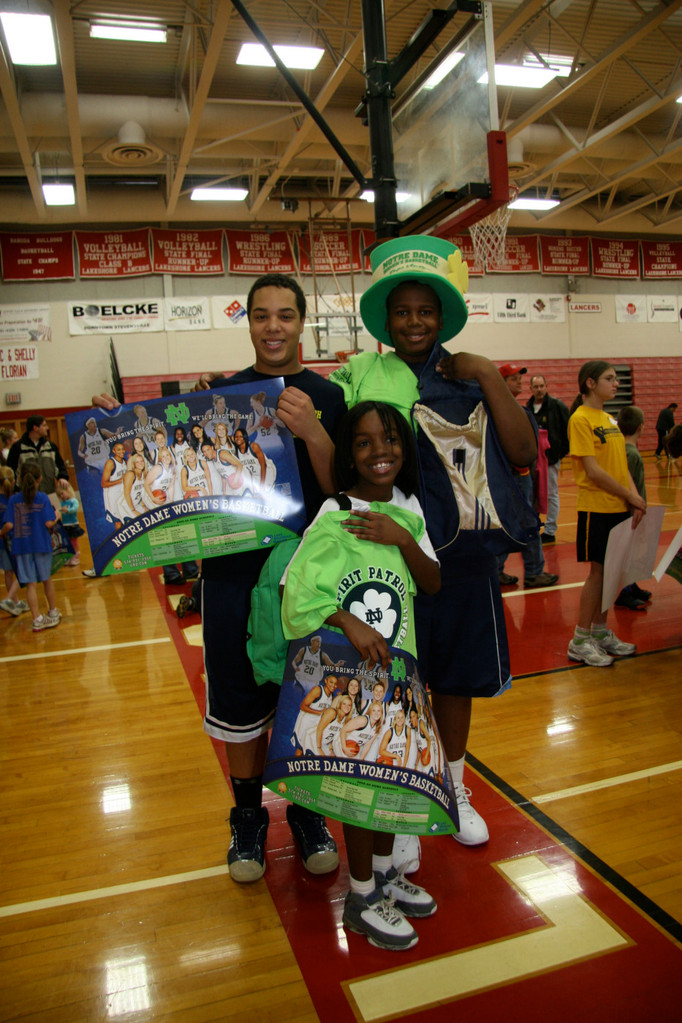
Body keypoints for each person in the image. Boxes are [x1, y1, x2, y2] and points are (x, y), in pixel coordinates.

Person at [329, 235, 537, 852]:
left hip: (465, 559)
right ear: (385, 321)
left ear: (442, 317)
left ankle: (452, 789)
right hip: (388, 559)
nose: (414, 321)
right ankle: (407, 803)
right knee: (397, 680)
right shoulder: (361, 377)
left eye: (425, 311)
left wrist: (487, 374)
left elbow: (523, 453)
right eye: (402, 311)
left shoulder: (468, 376)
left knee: (454, 682)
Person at [173, 273, 346, 882]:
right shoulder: (219, 397)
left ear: (303, 323)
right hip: (230, 577)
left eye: (285, 315)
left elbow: (342, 495)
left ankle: (304, 811)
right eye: (261, 315)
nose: (274, 326)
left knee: (305, 700)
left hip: (304, 580)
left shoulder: (328, 396)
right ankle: (248, 819)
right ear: (247, 322)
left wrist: (315, 431)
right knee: (240, 702)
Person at [281, 400, 441, 951]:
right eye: (366, 442)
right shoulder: (335, 512)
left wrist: (400, 537)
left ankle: (385, 876)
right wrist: (346, 619)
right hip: (353, 680)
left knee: (390, 774)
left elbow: (433, 581)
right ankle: (362, 893)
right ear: (349, 454)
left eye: (390, 439)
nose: (381, 452)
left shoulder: (410, 508)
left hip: (400, 675)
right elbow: (296, 590)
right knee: (358, 783)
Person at [566, 362, 647, 667]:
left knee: (612, 575)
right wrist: (628, 494)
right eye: (609, 379)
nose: (615, 384)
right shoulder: (580, 419)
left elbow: (620, 465)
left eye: (616, 379)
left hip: (618, 507)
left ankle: (599, 633)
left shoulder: (610, 419)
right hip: (596, 507)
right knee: (597, 575)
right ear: (589, 383)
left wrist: (634, 496)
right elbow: (593, 470)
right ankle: (580, 639)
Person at [497, 364, 558, 589]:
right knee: (527, 523)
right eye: (513, 378)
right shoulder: (502, 410)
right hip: (515, 474)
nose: (519, 381)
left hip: (521, 472)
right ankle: (533, 571)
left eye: (519, 378)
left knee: (509, 524)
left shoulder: (515, 408)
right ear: (501, 383)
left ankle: (498, 570)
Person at [0, 460, 62, 632]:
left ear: (19, 478)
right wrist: (56, 515)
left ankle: (36, 619)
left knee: (30, 585)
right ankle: (52, 611)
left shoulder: (13, 500)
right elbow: (49, 523)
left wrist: (1, 532)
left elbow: (9, 526)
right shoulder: (42, 497)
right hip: (41, 544)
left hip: (21, 547)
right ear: (39, 478)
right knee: (47, 580)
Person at [614, 406, 652, 611]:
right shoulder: (631, 454)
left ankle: (631, 585)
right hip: (630, 512)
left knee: (632, 553)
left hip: (631, 511)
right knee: (627, 554)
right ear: (641, 428)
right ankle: (624, 592)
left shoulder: (626, 451)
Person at [526, 374, 569, 543]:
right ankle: (534, 526)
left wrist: (560, 452)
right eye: (536, 387)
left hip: (550, 458)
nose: (539, 390)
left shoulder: (557, 406)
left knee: (551, 493)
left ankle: (550, 530)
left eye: (541, 386)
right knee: (534, 493)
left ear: (546, 386)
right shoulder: (528, 407)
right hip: (533, 459)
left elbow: (567, 431)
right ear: (531, 389)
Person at [7, 415, 69, 510]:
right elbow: (10, 471)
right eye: (44, 425)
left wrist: (62, 476)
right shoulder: (18, 448)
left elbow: (60, 465)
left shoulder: (50, 446)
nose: (47, 428)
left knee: (52, 521)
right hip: (26, 496)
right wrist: (14, 490)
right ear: (35, 428)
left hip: (49, 493)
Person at [0, 465, 29, 616]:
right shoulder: (11, 500)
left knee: (8, 572)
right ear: (12, 481)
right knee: (23, 570)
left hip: (2, 544)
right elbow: (10, 524)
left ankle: (15, 603)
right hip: (11, 541)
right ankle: (9, 599)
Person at [55, 479, 85, 566]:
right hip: (65, 525)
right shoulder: (63, 503)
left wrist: (67, 510)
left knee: (74, 541)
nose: (61, 496)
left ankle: (76, 555)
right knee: (67, 542)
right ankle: (70, 556)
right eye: (59, 495)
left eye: (62, 494)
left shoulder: (73, 501)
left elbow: (75, 509)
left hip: (73, 525)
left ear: (67, 491)